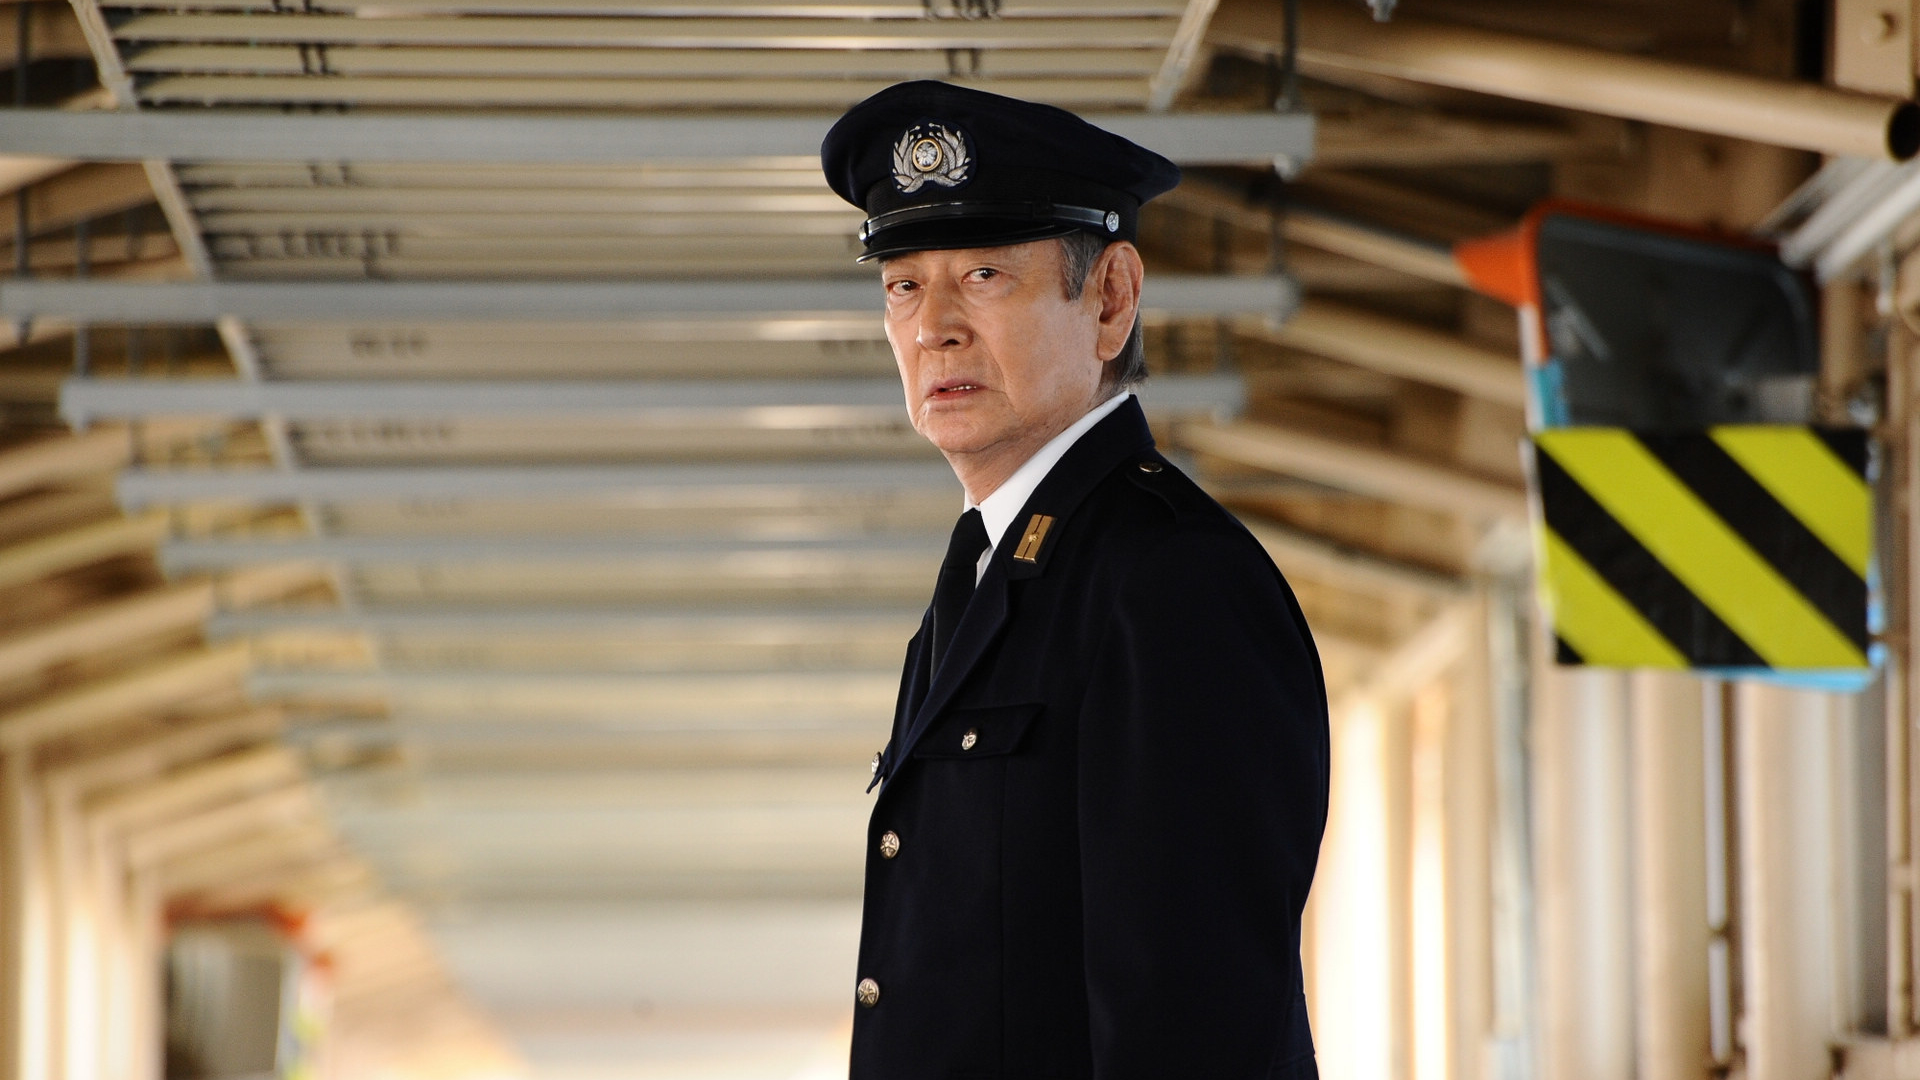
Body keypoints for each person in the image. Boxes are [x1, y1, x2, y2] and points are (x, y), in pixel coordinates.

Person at [820, 80, 1329, 1080]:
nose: (933, 327)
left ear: (1111, 299)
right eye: (903, 286)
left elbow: (1194, 1027)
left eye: (984, 275)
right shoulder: (988, 574)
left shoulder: (1168, 584)